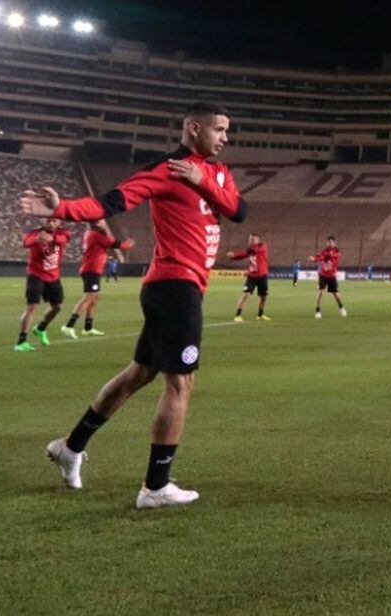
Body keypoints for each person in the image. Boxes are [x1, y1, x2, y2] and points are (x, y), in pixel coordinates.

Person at [32, 102, 245, 509]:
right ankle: (155, 486)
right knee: (180, 382)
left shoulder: (218, 173)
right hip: (173, 285)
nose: (224, 137)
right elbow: (110, 203)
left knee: (137, 375)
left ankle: (70, 447)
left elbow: (238, 210)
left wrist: (203, 180)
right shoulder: (165, 169)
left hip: (184, 287)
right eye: (218, 129)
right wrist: (61, 209)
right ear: (193, 128)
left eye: (226, 131)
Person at [67, 222, 134, 337]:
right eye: (101, 221)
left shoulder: (91, 233)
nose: (104, 223)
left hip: (92, 269)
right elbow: (114, 243)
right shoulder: (96, 235)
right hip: (91, 269)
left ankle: (88, 328)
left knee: (94, 298)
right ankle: (69, 325)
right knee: (89, 297)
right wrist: (127, 244)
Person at [16, 219, 71, 351]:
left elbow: (64, 239)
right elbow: (25, 242)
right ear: (43, 221)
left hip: (53, 276)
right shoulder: (35, 233)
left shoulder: (63, 233)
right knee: (31, 307)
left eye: (54, 221)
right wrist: (37, 239)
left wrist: (52, 238)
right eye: (48, 221)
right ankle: (21, 342)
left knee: (57, 307)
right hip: (36, 274)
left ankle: (41, 328)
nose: (51, 223)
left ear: (58, 223)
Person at [228, 233, 271, 321]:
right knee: (245, 295)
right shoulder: (250, 250)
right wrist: (233, 256)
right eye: (250, 239)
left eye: (253, 239)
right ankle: (238, 315)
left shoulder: (262, 247)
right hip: (252, 276)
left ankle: (260, 315)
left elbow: (257, 251)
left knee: (263, 297)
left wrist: (249, 250)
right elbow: (241, 255)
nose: (251, 241)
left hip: (262, 276)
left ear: (258, 240)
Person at [310, 235, 346, 318]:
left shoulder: (337, 251)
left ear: (334, 243)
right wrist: (313, 259)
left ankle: (341, 307)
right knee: (320, 293)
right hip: (323, 275)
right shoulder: (323, 251)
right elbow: (318, 257)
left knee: (336, 294)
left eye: (331, 242)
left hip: (331, 276)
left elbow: (331, 256)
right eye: (328, 242)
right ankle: (317, 311)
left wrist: (319, 258)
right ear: (326, 243)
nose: (330, 243)